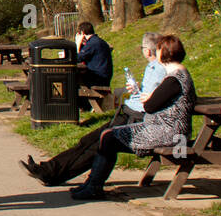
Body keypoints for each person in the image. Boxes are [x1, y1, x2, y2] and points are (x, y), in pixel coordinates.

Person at [21, 32, 164, 187]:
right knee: (87, 141)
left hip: (136, 118)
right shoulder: (153, 67)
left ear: (147, 50)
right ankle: (48, 170)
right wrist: (137, 91)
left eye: (142, 47)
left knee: (96, 146)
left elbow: (153, 101)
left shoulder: (159, 69)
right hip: (129, 113)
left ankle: (51, 173)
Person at [70, 34, 196, 200]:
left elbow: (150, 106)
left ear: (163, 53)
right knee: (108, 135)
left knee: (108, 138)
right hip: (165, 128)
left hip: (168, 132)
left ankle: (94, 186)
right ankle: (92, 184)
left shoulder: (174, 79)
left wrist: (149, 98)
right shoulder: (178, 75)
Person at [75, 21, 113, 87]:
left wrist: (77, 44)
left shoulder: (91, 44)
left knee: (72, 79)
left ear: (82, 33)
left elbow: (77, 59)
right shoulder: (99, 41)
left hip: (98, 78)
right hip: (104, 76)